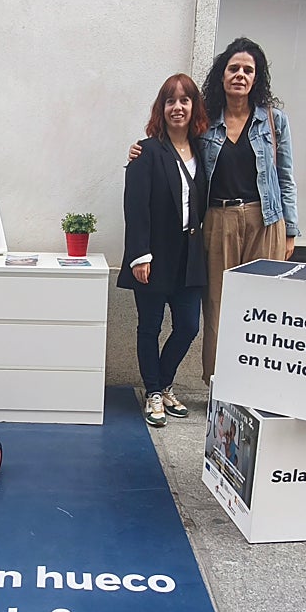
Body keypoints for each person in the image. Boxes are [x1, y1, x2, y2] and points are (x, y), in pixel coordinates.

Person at [128, 37, 298, 385]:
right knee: (218, 307)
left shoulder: (274, 121)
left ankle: (259, 383)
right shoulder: (207, 125)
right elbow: (173, 146)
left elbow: (285, 177)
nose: (240, 75)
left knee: (263, 304)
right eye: (233, 68)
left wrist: (291, 229)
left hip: (266, 220)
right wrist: (140, 150)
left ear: (257, 77)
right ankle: (221, 381)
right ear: (222, 75)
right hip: (219, 221)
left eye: (248, 70)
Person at [118, 74, 209, 427]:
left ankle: (165, 381)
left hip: (190, 255)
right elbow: (135, 207)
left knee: (188, 326)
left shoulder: (202, 150)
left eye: (185, 100)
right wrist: (139, 255)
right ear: (162, 108)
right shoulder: (147, 151)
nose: (178, 107)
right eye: (171, 101)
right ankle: (153, 391)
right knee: (149, 328)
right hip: (154, 256)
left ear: (193, 107)